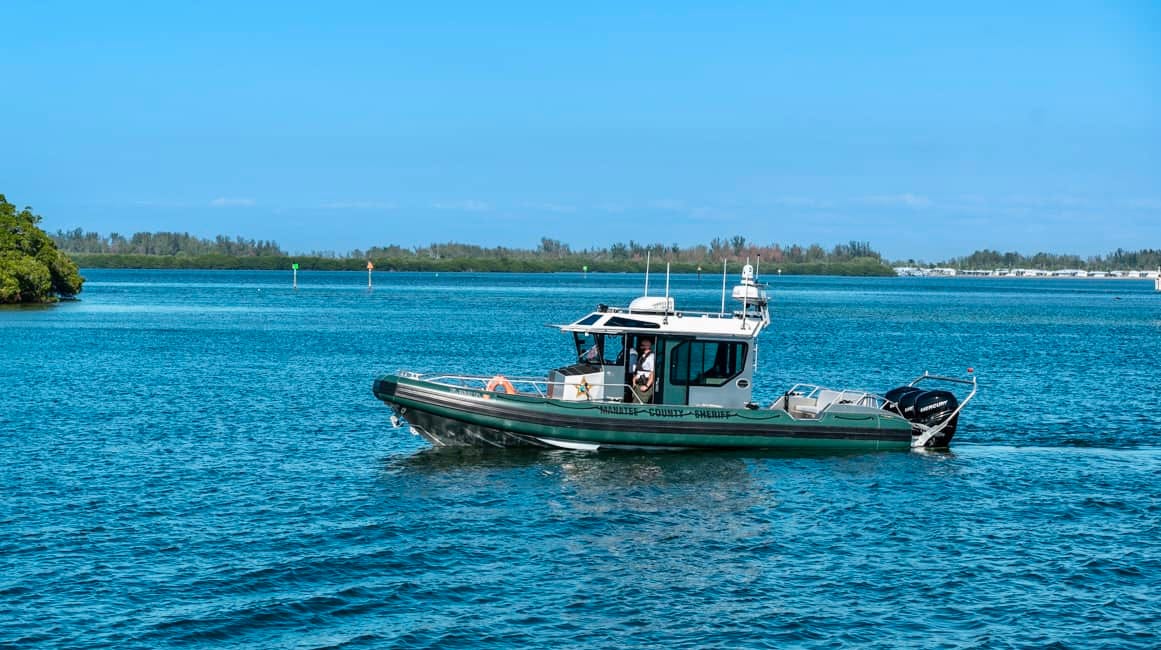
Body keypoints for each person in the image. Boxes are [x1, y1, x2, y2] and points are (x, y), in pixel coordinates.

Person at [629, 337, 655, 404]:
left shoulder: (651, 357)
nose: (641, 347)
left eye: (642, 345)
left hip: (643, 385)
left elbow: (652, 373)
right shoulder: (642, 356)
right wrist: (634, 381)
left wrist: (647, 386)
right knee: (634, 403)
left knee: (641, 405)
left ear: (648, 346)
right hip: (637, 385)